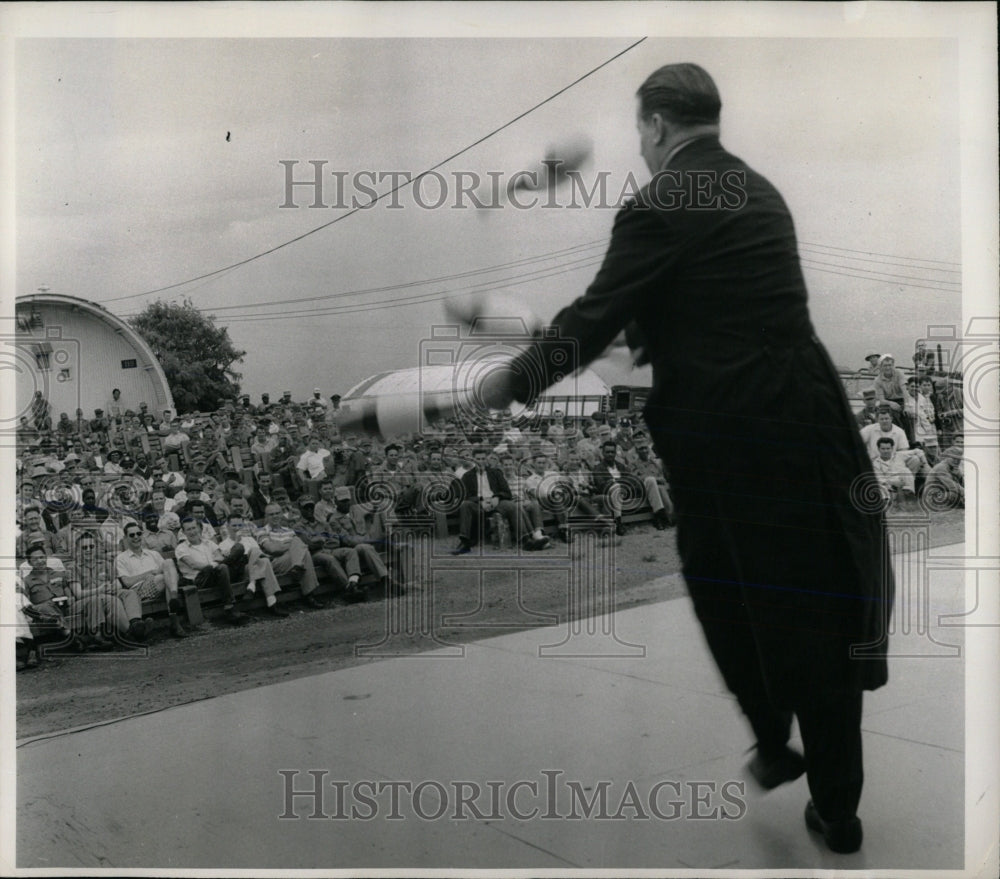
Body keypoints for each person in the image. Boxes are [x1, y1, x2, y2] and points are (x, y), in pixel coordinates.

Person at [477, 63, 892, 853]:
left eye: (640, 131)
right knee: (821, 602)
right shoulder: (761, 193)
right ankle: (839, 809)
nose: (639, 147)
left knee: (721, 588)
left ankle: (773, 735)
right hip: (808, 424)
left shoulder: (659, 203)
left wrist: (517, 377)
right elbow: (716, 308)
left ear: (659, 125)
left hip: (726, 441)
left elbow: (596, 316)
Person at [174, 517, 250, 625]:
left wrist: (218, 563)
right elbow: (193, 565)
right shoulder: (181, 548)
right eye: (188, 529)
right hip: (200, 579)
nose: (192, 532)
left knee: (238, 548)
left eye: (194, 528)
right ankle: (229, 607)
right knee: (220, 567)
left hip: (217, 574)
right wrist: (215, 564)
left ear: (199, 528)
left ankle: (232, 603)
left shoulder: (208, 543)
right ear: (184, 532)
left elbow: (220, 556)